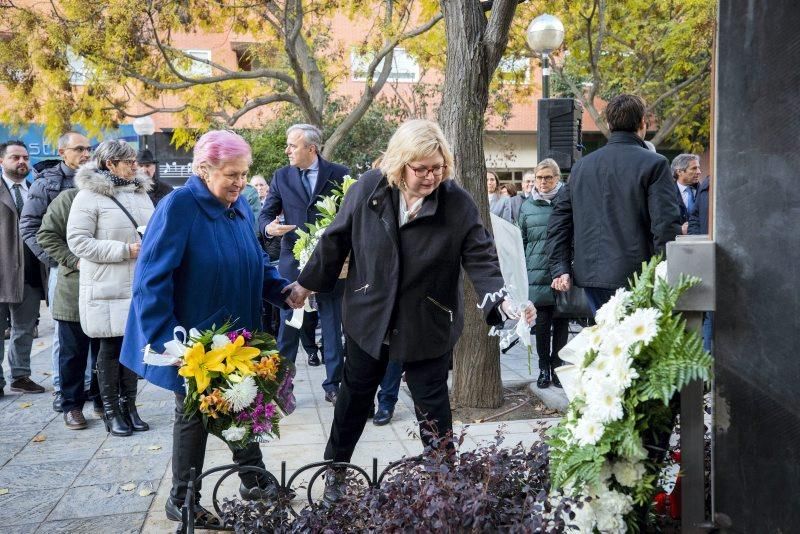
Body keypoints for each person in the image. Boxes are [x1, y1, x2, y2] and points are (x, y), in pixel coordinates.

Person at [286, 119, 534, 503]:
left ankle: (445, 483)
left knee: (432, 404)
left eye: (438, 168)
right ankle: (336, 470)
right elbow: (335, 240)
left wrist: (501, 301)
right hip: (370, 315)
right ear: (401, 163)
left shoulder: (457, 202)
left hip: (427, 318)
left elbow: (482, 256)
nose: (431, 176)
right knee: (354, 398)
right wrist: (306, 284)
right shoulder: (370, 188)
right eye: (421, 169)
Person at [119, 130, 293, 529]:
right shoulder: (179, 206)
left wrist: (281, 289)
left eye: (244, 174)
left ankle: (253, 478)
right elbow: (150, 279)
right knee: (194, 415)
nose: (240, 182)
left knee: (242, 401)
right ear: (203, 169)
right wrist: (169, 341)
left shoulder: (239, 205)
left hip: (234, 335)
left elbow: (252, 259)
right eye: (231, 174)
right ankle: (182, 500)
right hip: (192, 340)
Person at [546, 94, 682, 315]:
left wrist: (560, 268)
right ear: (642, 124)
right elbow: (665, 225)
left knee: (607, 341)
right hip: (637, 275)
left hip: (590, 275)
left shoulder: (582, 167)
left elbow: (559, 222)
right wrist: (665, 273)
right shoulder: (655, 164)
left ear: (609, 124)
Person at [66, 140, 155, 437]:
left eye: (134, 160)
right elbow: (77, 241)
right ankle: (111, 412)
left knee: (133, 347)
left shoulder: (141, 192)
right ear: (110, 164)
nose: (135, 165)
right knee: (109, 347)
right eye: (127, 161)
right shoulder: (88, 196)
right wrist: (123, 250)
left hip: (138, 284)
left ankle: (130, 407)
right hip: (107, 283)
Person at [258, 124, 349, 403]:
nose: (287, 151)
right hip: (293, 262)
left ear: (311, 148)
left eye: (292, 145)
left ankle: (334, 385)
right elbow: (265, 216)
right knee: (289, 326)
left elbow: (350, 214)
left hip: (331, 262)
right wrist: (268, 229)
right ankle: (283, 386)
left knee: (333, 326)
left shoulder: (340, 174)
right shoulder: (281, 176)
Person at [20, 131, 91, 411]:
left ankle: (88, 387)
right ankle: (64, 390)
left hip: (95, 269)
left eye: (89, 149)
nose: (86, 154)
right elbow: (30, 227)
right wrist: (58, 261)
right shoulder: (47, 183)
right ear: (62, 152)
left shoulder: (97, 181)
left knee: (94, 330)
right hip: (63, 268)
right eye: (79, 149)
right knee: (66, 334)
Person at [37, 187, 102, 428]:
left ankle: (102, 401)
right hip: (74, 287)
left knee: (104, 353)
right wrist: (74, 261)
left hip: (109, 289)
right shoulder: (70, 198)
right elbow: (46, 235)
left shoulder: (120, 197)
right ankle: (71, 406)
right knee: (73, 353)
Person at [0, 141, 47, 396]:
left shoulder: (35, 190)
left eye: (25, 157)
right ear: (2, 161)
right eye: (15, 157)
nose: (22, 162)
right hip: (2, 270)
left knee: (24, 328)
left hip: (29, 271)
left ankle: (20, 375)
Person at [518, 159, 568, 389]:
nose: (543, 182)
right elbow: (522, 242)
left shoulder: (567, 201)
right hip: (536, 274)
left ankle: (558, 368)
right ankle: (543, 369)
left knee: (561, 323)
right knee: (541, 325)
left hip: (562, 273)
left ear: (557, 178)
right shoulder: (527, 206)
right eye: (539, 177)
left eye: (548, 177)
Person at [688, 174, 713, 353]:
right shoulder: (706, 185)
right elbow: (695, 218)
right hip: (707, 256)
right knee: (708, 314)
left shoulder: (706, 185)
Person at [671, 153, 702, 235]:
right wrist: (679, 229)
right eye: (694, 168)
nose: (699, 172)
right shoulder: (667, 194)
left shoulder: (705, 191)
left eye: (698, 168)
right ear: (679, 172)